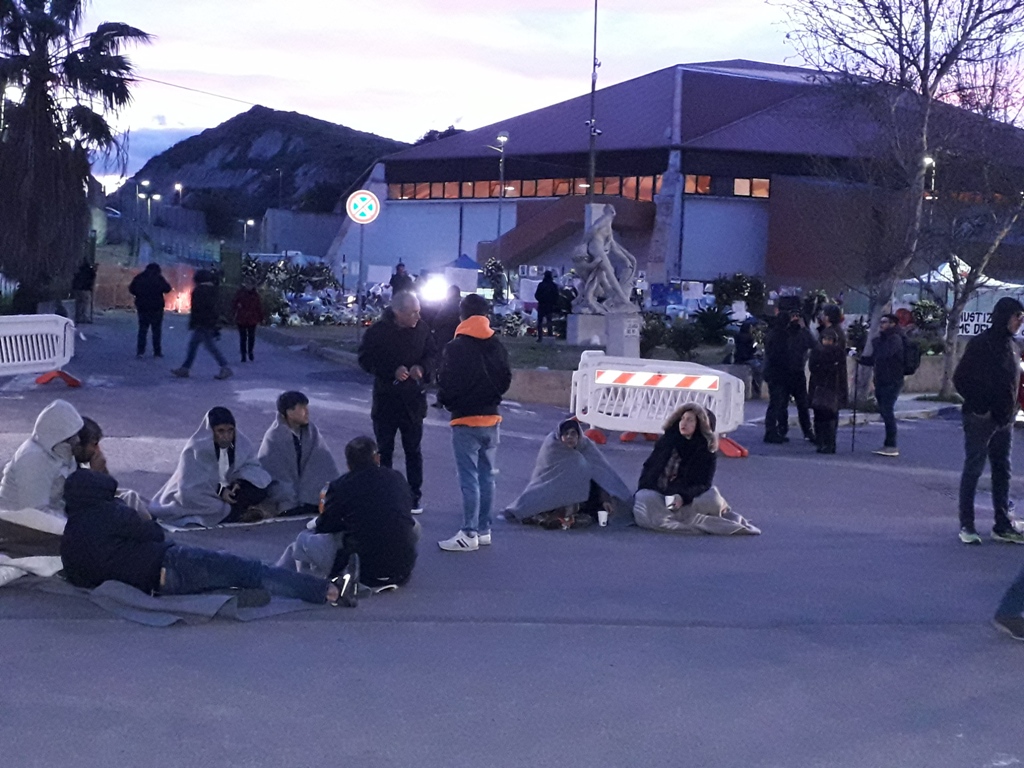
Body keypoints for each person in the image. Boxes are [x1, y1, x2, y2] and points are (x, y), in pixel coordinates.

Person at [61, 469, 358, 607]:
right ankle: (325, 592)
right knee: (252, 570)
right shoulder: (110, 514)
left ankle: (237, 591)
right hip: (172, 563)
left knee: (231, 572)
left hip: (156, 586)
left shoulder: (71, 535)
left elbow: (80, 578)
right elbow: (154, 531)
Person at [279, 436, 418, 590]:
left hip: (366, 573)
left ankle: (310, 584)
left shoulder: (340, 486)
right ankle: (395, 564)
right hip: (404, 571)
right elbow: (405, 508)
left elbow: (326, 526)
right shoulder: (397, 477)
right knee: (413, 525)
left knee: (304, 539)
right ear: (377, 459)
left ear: (348, 464)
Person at [436, 293, 512, 551]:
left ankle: (468, 533)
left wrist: (447, 401)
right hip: (491, 417)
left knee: (468, 477)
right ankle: (483, 529)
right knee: (486, 476)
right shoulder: (497, 345)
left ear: (462, 315)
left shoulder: (455, 347)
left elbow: (445, 381)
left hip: (465, 418)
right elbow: (506, 378)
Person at [954, 296, 1024, 546]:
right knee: (974, 468)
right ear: (1004, 316)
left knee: (1002, 470)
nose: (1019, 322)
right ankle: (967, 524)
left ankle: (1002, 523)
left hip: (1004, 418)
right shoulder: (981, 344)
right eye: (1017, 317)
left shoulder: (1013, 346)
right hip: (980, 417)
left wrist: (1012, 407)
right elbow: (960, 378)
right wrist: (982, 406)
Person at [357, 290, 435, 514]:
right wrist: (392, 370)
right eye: (412, 313)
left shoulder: (422, 329)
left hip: (413, 401)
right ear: (397, 312)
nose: (417, 317)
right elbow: (365, 359)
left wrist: (422, 369)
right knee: (384, 450)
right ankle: (385, 494)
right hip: (386, 400)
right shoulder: (378, 332)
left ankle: (414, 496)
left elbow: (432, 354)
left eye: (419, 312)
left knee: (413, 450)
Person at [634, 403, 760, 535]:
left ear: (700, 425)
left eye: (690, 420)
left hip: (687, 498)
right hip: (659, 494)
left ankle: (677, 516)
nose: (684, 423)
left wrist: (682, 496)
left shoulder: (704, 450)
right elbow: (648, 469)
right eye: (682, 419)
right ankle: (669, 516)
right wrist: (648, 487)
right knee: (644, 497)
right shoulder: (666, 442)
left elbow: (703, 484)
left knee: (712, 498)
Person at [149, 407, 274, 528]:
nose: (226, 436)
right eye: (221, 431)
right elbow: (191, 487)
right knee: (198, 500)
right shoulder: (195, 450)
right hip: (203, 492)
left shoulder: (242, 443)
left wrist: (239, 481)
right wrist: (220, 491)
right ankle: (235, 513)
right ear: (211, 431)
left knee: (259, 488)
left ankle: (234, 511)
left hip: (230, 487)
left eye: (230, 430)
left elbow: (252, 466)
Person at [503, 419, 632, 529]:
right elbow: (544, 481)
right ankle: (555, 517)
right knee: (542, 507)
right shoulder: (553, 448)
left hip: (584, 498)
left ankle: (563, 518)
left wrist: (605, 499)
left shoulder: (586, 447)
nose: (569, 437)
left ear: (579, 436)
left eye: (573, 434)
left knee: (592, 510)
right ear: (560, 436)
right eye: (566, 434)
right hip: (553, 494)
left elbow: (601, 474)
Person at [258, 391, 339, 517]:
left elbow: (322, 463)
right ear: (289, 412)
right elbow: (275, 472)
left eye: (307, 407)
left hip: (310, 497)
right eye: (302, 408)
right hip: (285, 498)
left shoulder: (312, 432)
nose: (307, 412)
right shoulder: (274, 437)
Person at [0, 399, 83, 516]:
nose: (78, 440)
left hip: (53, 513)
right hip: (19, 520)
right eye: (72, 436)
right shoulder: (33, 459)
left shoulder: (62, 453)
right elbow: (34, 512)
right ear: (59, 435)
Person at [72, 417, 151, 519]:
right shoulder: (70, 470)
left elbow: (112, 489)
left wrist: (103, 471)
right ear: (79, 446)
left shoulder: (76, 464)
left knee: (132, 497)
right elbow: (95, 497)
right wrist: (96, 475)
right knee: (129, 502)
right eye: (94, 445)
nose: (97, 450)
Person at [763, 307, 815, 444]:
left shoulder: (801, 333)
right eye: (792, 316)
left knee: (802, 404)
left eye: (798, 316)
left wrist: (804, 328)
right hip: (781, 374)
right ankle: (779, 429)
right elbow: (776, 354)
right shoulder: (780, 334)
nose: (795, 319)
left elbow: (813, 344)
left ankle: (807, 431)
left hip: (796, 372)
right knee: (779, 404)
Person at [857, 313, 907, 457]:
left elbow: (884, 355)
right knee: (885, 411)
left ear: (892, 324)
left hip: (892, 380)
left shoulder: (895, 339)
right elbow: (874, 359)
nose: (881, 325)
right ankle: (888, 444)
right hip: (881, 379)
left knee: (887, 411)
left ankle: (891, 445)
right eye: (881, 322)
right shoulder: (883, 339)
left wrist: (877, 343)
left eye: (884, 322)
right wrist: (860, 359)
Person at [172, 269, 232, 380]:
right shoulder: (213, 290)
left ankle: (225, 366)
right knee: (194, 345)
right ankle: (185, 368)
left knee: (209, 346)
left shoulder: (199, 291)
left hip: (202, 323)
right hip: (208, 322)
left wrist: (194, 322)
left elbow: (197, 309)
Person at [808, 329, 849, 454]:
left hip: (833, 387)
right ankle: (820, 441)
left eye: (830, 340)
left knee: (830, 415)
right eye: (825, 339)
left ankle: (830, 443)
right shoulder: (816, 351)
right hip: (818, 386)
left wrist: (843, 392)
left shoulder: (839, 353)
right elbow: (813, 368)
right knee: (819, 415)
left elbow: (842, 373)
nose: (827, 342)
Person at [128, 263, 172, 358]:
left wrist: (139, 294)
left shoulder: (140, 277)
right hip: (156, 307)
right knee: (156, 330)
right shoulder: (158, 278)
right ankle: (157, 351)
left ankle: (140, 351)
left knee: (143, 329)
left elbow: (131, 289)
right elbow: (167, 289)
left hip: (142, 306)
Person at [232, 278, 263, 363]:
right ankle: (243, 354)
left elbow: (258, 307)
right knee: (243, 337)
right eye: (247, 284)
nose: (248, 286)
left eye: (250, 284)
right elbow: (234, 303)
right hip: (242, 317)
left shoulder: (255, 295)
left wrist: (260, 318)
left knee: (251, 337)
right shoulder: (241, 293)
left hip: (252, 318)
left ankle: (250, 351)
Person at [735, 316, 764, 399]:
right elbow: (752, 349)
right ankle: (758, 387)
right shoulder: (749, 338)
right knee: (760, 368)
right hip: (747, 358)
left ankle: (756, 387)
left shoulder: (738, 336)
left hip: (739, 358)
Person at [534, 270, 560, 342]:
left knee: (540, 322)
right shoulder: (554, 285)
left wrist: (540, 299)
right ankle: (549, 336)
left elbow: (536, 295)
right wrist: (554, 303)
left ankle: (540, 337)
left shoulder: (541, 285)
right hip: (550, 305)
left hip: (542, 305)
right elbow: (556, 296)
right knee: (549, 322)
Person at [71, 258, 96, 325]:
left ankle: (78, 317)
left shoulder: (79, 271)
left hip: (77, 289)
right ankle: (85, 317)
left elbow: (74, 280)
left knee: (78, 304)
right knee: (86, 303)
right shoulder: (90, 272)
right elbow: (92, 278)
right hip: (85, 289)